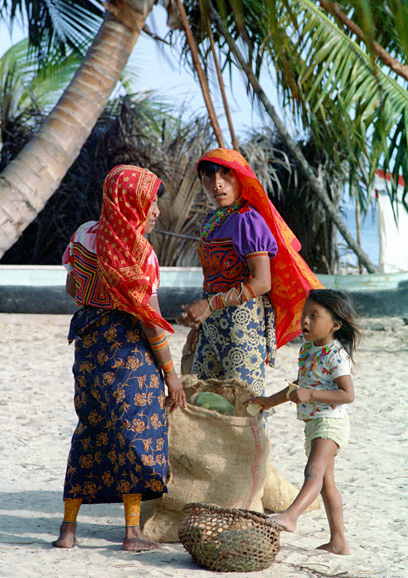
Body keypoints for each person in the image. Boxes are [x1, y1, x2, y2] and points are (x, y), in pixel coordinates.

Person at [53, 164, 186, 552]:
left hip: (89, 352)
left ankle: (68, 531)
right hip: (130, 357)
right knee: (135, 438)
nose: (157, 212)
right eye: (151, 203)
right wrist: (171, 374)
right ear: (129, 203)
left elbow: (72, 289)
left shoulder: (82, 235)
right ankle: (132, 534)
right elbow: (152, 324)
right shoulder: (141, 254)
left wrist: (98, 297)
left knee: (89, 432)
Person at [178, 147, 323, 395]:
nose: (217, 184)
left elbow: (262, 282)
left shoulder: (247, 220)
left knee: (244, 402)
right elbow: (212, 279)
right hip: (211, 325)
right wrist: (197, 328)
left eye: (226, 176)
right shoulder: (212, 222)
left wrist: (209, 306)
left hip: (242, 326)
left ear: (240, 179)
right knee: (203, 398)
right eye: (209, 177)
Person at [245, 289, 361, 555]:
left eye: (314, 316)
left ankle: (291, 516)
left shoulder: (336, 355)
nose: (305, 321)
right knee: (326, 484)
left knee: (313, 471)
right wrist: (268, 401)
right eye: (304, 315)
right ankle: (339, 541)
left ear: (335, 325)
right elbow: (299, 385)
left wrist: (311, 395)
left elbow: (348, 394)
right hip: (314, 423)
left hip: (331, 422)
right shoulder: (308, 349)